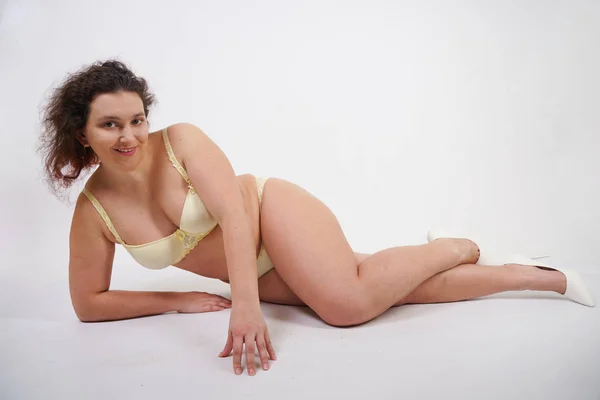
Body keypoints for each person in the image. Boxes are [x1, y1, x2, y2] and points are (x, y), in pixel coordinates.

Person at [38, 59, 595, 376]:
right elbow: (89, 305)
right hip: (252, 271)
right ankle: (538, 278)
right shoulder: (94, 213)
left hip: (269, 213)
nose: (130, 135)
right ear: (81, 133)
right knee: (394, 290)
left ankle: (460, 244)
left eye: (136, 119)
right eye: (110, 125)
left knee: (346, 304)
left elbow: (234, 213)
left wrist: (245, 313)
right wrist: (179, 300)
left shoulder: (181, 140)